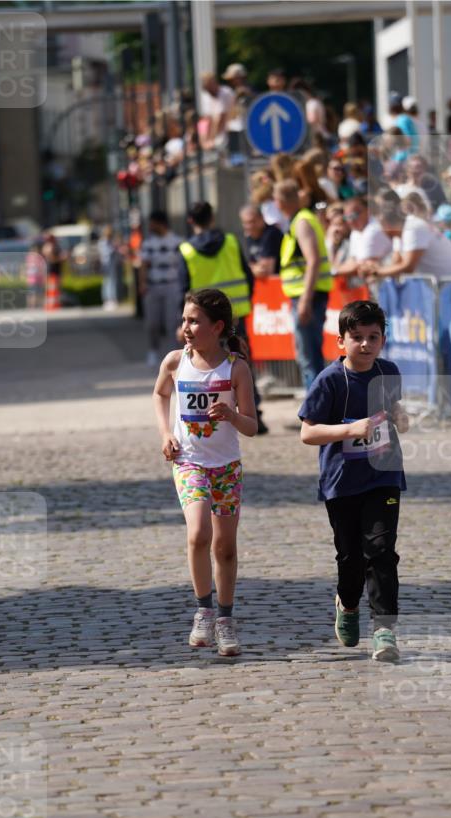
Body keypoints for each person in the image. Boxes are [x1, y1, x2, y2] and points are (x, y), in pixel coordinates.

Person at [299, 299, 409, 662]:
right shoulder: (330, 380)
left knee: (381, 551)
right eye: (357, 337)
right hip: (342, 481)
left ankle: (384, 630)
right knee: (350, 557)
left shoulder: (389, 371)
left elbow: (396, 414)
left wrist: (401, 418)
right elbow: (307, 433)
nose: (365, 344)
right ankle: (347, 605)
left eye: (373, 337)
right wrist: (351, 429)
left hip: (384, 476)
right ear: (341, 341)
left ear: (383, 339)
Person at [152, 288, 257, 656]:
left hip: (226, 466)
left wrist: (231, 415)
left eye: (194, 321)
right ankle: (203, 610)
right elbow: (161, 394)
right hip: (189, 461)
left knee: (224, 547)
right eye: (184, 320)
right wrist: (166, 434)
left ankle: (226, 620)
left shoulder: (236, 367)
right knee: (198, 532)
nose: (186, 327)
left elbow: (251, 426)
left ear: (217, 327)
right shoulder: (175, 361)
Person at [177, 200, 267, 434]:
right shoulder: (230, 241)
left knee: (205, 365)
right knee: (242, 361)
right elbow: (247, 276)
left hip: (203, 322)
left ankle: (208, 415)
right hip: (235, 316)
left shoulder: (186, 250)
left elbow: (183, 288)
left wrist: (185, 321)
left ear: (190, 221)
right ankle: (253, 413)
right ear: (212, 217)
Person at [273, 179, 334, 389]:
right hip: (306, 295)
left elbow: (313, 259)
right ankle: (316, 406)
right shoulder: (300, 220)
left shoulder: (301, 222)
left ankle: (316, 409)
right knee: (307, 354)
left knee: (309, 357)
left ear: (280, 201)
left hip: (308, 296)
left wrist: (305, 301)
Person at [368, 193, 451, 279]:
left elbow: (408, 267)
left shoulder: (413, 227)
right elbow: (396, 263)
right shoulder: (399, 235)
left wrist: (376, 272)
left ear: (385, 224)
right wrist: (375, 267)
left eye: (380, 226)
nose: (381, 231)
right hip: (447, 287)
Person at [139, 210, 182, 368]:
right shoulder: (148, 243)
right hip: (153, 287)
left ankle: (175, 355)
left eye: (152, 223)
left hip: (173, 286)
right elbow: (144, 264)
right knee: (152, 322)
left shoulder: (178, 242)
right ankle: (153, 350)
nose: (149, 226)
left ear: (160, 223)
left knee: (173, 322)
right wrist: (142, 283)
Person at [333, 195, 391, 279]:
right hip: (377, 286)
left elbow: (358, 266)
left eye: (353, 215)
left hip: (390, 284)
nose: (350, 221)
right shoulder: (356, 232)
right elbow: (353, 261)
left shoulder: (373, 229)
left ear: (367, 211)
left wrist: (331, 271)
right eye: (347, 217)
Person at [239, 204, 283, 277]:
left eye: (252, 221)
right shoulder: (250, 237)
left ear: (262, 218)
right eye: (245, 223)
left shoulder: (271, 234)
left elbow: (265, 271)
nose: (249, 226)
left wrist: (248, 269)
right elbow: (251, 264)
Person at [199, 72, 235, 150]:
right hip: (217, 132)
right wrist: (204, 141)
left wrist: (212, 139)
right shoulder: (206, 96)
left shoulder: (225, 92)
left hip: (229, 129)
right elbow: (206, 120)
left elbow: (221, 117)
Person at [98, 225, 119, 310]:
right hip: (106, 264)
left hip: (110, 264)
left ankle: (111, 299)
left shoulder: (108, 241)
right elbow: (106, 252)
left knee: (111, 282)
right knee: (108, 282)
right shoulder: (104, 242)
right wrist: (114, 248)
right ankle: (108, 300)